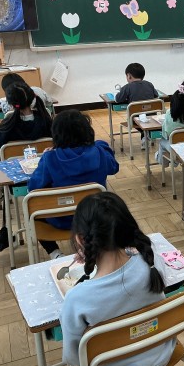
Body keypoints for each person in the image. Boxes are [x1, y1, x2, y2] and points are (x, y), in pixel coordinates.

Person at [61, 192, 175, 366]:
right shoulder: (151, 263)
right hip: (160, 353)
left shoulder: (76, 298)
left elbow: (73, 357)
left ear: (80, 239)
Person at [28, 110, 119, 259]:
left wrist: (46, 156)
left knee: (32, 209)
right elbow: (114, 167)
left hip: (60, 220)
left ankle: (55, 253)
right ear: (87, 131)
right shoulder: (99, 152)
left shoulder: (50, 158)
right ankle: (92, 246)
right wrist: (100, 145)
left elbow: (33, 188)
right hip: (95, 218)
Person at [0, 83, 52, 150]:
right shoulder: (47, 121)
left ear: (11, 103)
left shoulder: (6, 126)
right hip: (43, 156)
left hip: (16, 157)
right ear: (32, 98)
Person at [115, 63, 158, 149]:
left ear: (129, 76)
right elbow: (156, 96)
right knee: (145, 117)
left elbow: (117, 99)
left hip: (135, 119)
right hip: (152, 117)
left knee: (135, 118)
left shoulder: (127, 87)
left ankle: (144, 135)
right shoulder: (149, 84)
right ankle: (145, 135)